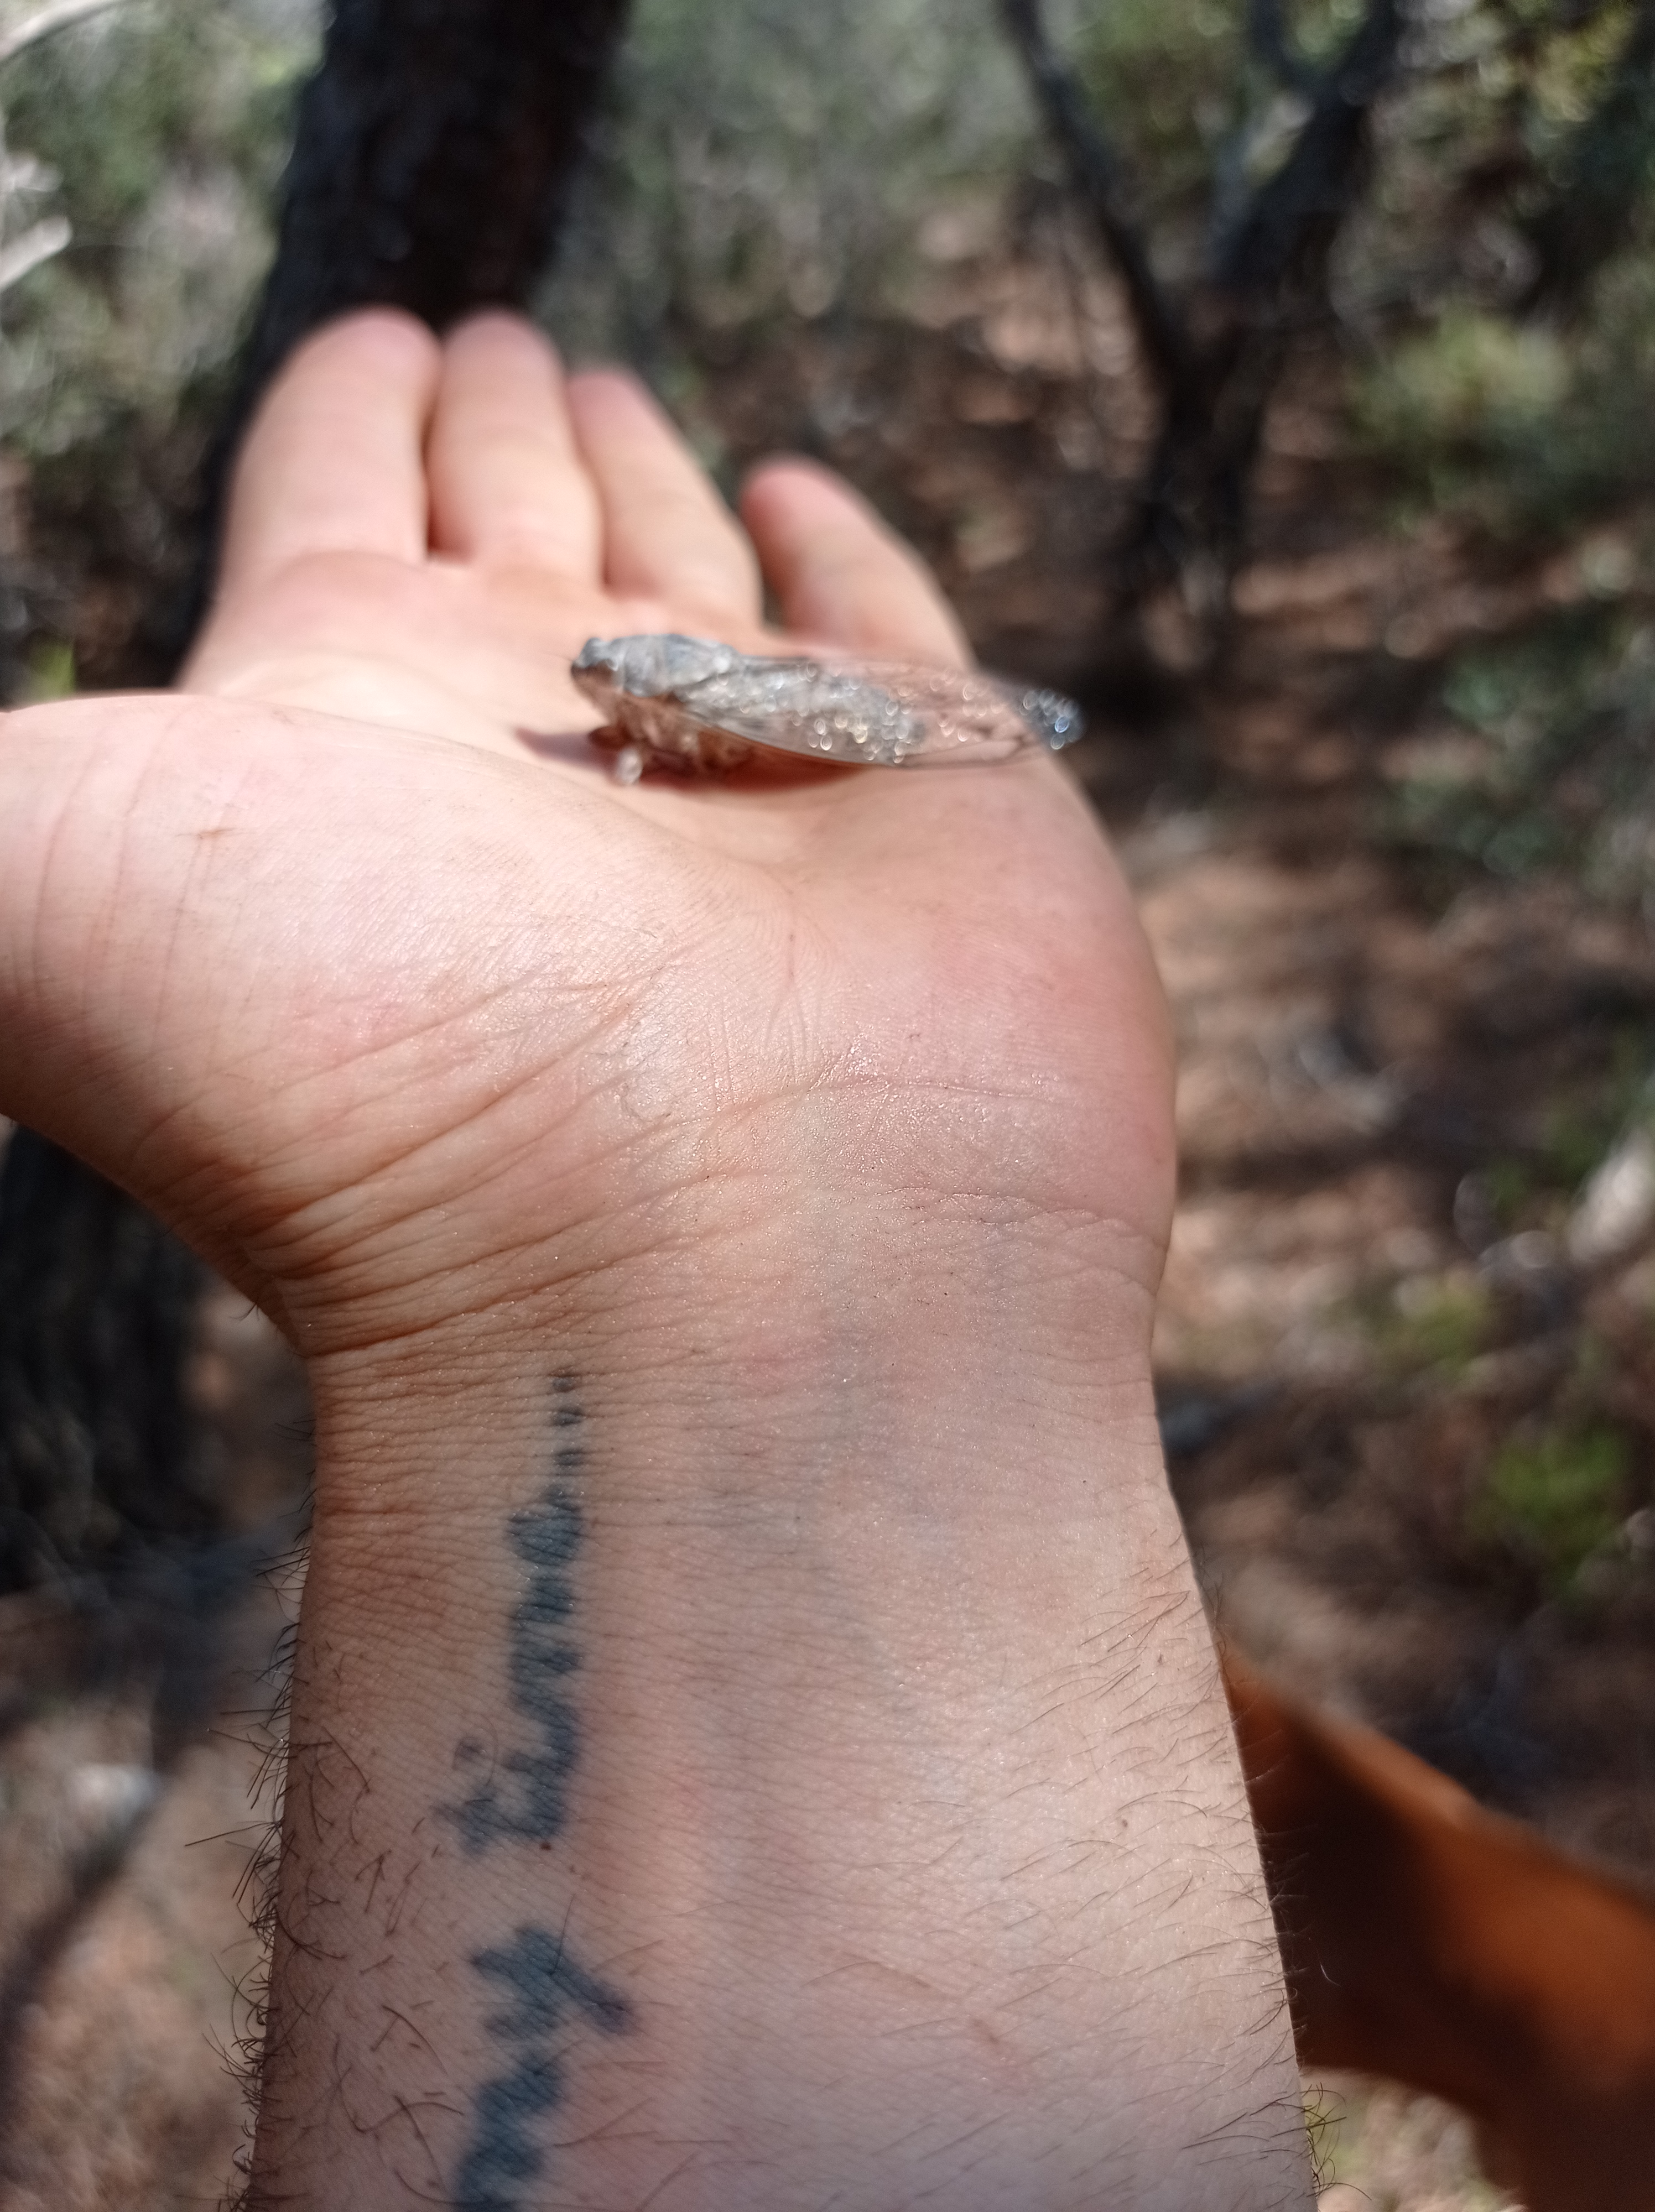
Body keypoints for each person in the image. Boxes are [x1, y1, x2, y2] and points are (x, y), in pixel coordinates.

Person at [0, 310, 1312, 2209]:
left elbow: (771, 726)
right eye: (603, 675)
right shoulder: (622, 713)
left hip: (787, 725)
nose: (598, 683)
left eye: (611, 674)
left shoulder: (688, 717)